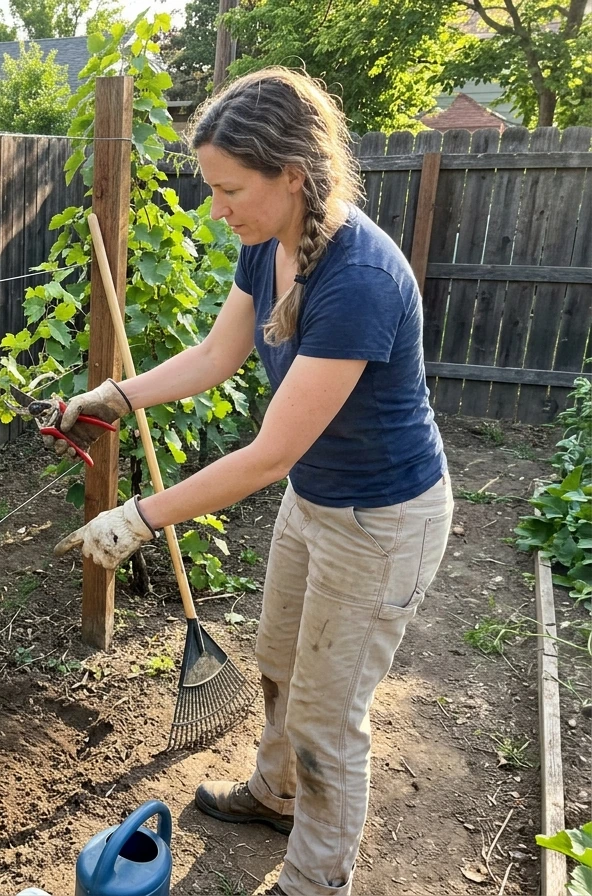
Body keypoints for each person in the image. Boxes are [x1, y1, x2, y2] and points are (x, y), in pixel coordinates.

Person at [49, 68, 453, 896]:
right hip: (315, 499)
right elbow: (214, 357)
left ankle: (314, 880)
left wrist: (137, 516)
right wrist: (113, 397)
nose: (216, 207)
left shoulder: (359, 280)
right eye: (211, 187)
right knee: (276, 660)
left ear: (292, 175)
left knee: (328, 720)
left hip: (383, 519)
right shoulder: (267, 245)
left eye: (230, 188)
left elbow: (267, 454)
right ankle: (274, 796)